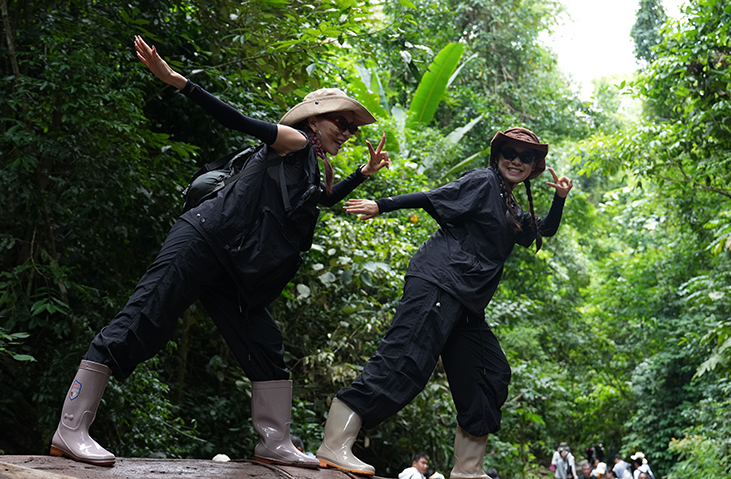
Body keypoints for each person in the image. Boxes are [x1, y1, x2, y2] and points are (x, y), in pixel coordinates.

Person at [49, 35, 390, 468]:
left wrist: (363, 173)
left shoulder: (311, 165)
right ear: (315, 119)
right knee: (143, 317)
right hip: (205, 237)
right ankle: (71, 428)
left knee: (263, 343)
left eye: (352, 128)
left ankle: (274, 441)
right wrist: (178, 81)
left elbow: (320, 200)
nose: (347, 132)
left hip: (235, 266)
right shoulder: (295, 140)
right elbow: (238, 120)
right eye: (341, 122)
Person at [314, 127, 573, 476]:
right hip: (439, 282)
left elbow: (542, 229)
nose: (516, 161)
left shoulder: (510, 203)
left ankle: (468, 470)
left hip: (467, 304)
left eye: (525, 157)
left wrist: (559, 198)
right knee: (404, 361)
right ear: (497, 156)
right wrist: (381, 205)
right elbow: (432, 197)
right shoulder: (483, 181)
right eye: (509, 153)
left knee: (488, 373)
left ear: (533, 166)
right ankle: (334, 444)